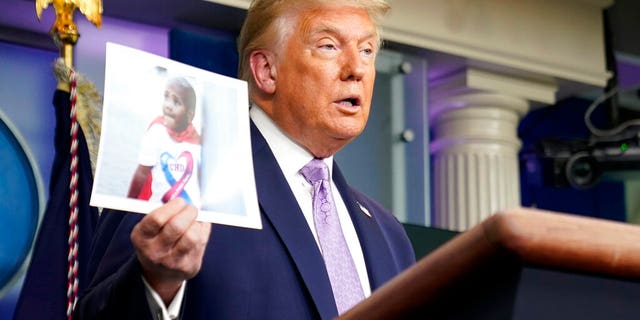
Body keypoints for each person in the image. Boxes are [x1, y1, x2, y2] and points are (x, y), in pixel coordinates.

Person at [74, 0, 415, 319]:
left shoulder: (388, 233)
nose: (357, 68)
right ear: (266, 70)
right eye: (329, 45)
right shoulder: (181, 173)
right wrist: (156, 283)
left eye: (367, 50)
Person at [127, 77, 201, 206]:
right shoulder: (157, 131)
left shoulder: (196, 143)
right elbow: (141, 173)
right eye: (166, 97)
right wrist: (128, 205)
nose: (168, 105)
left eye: (176, 102)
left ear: (190, 115)